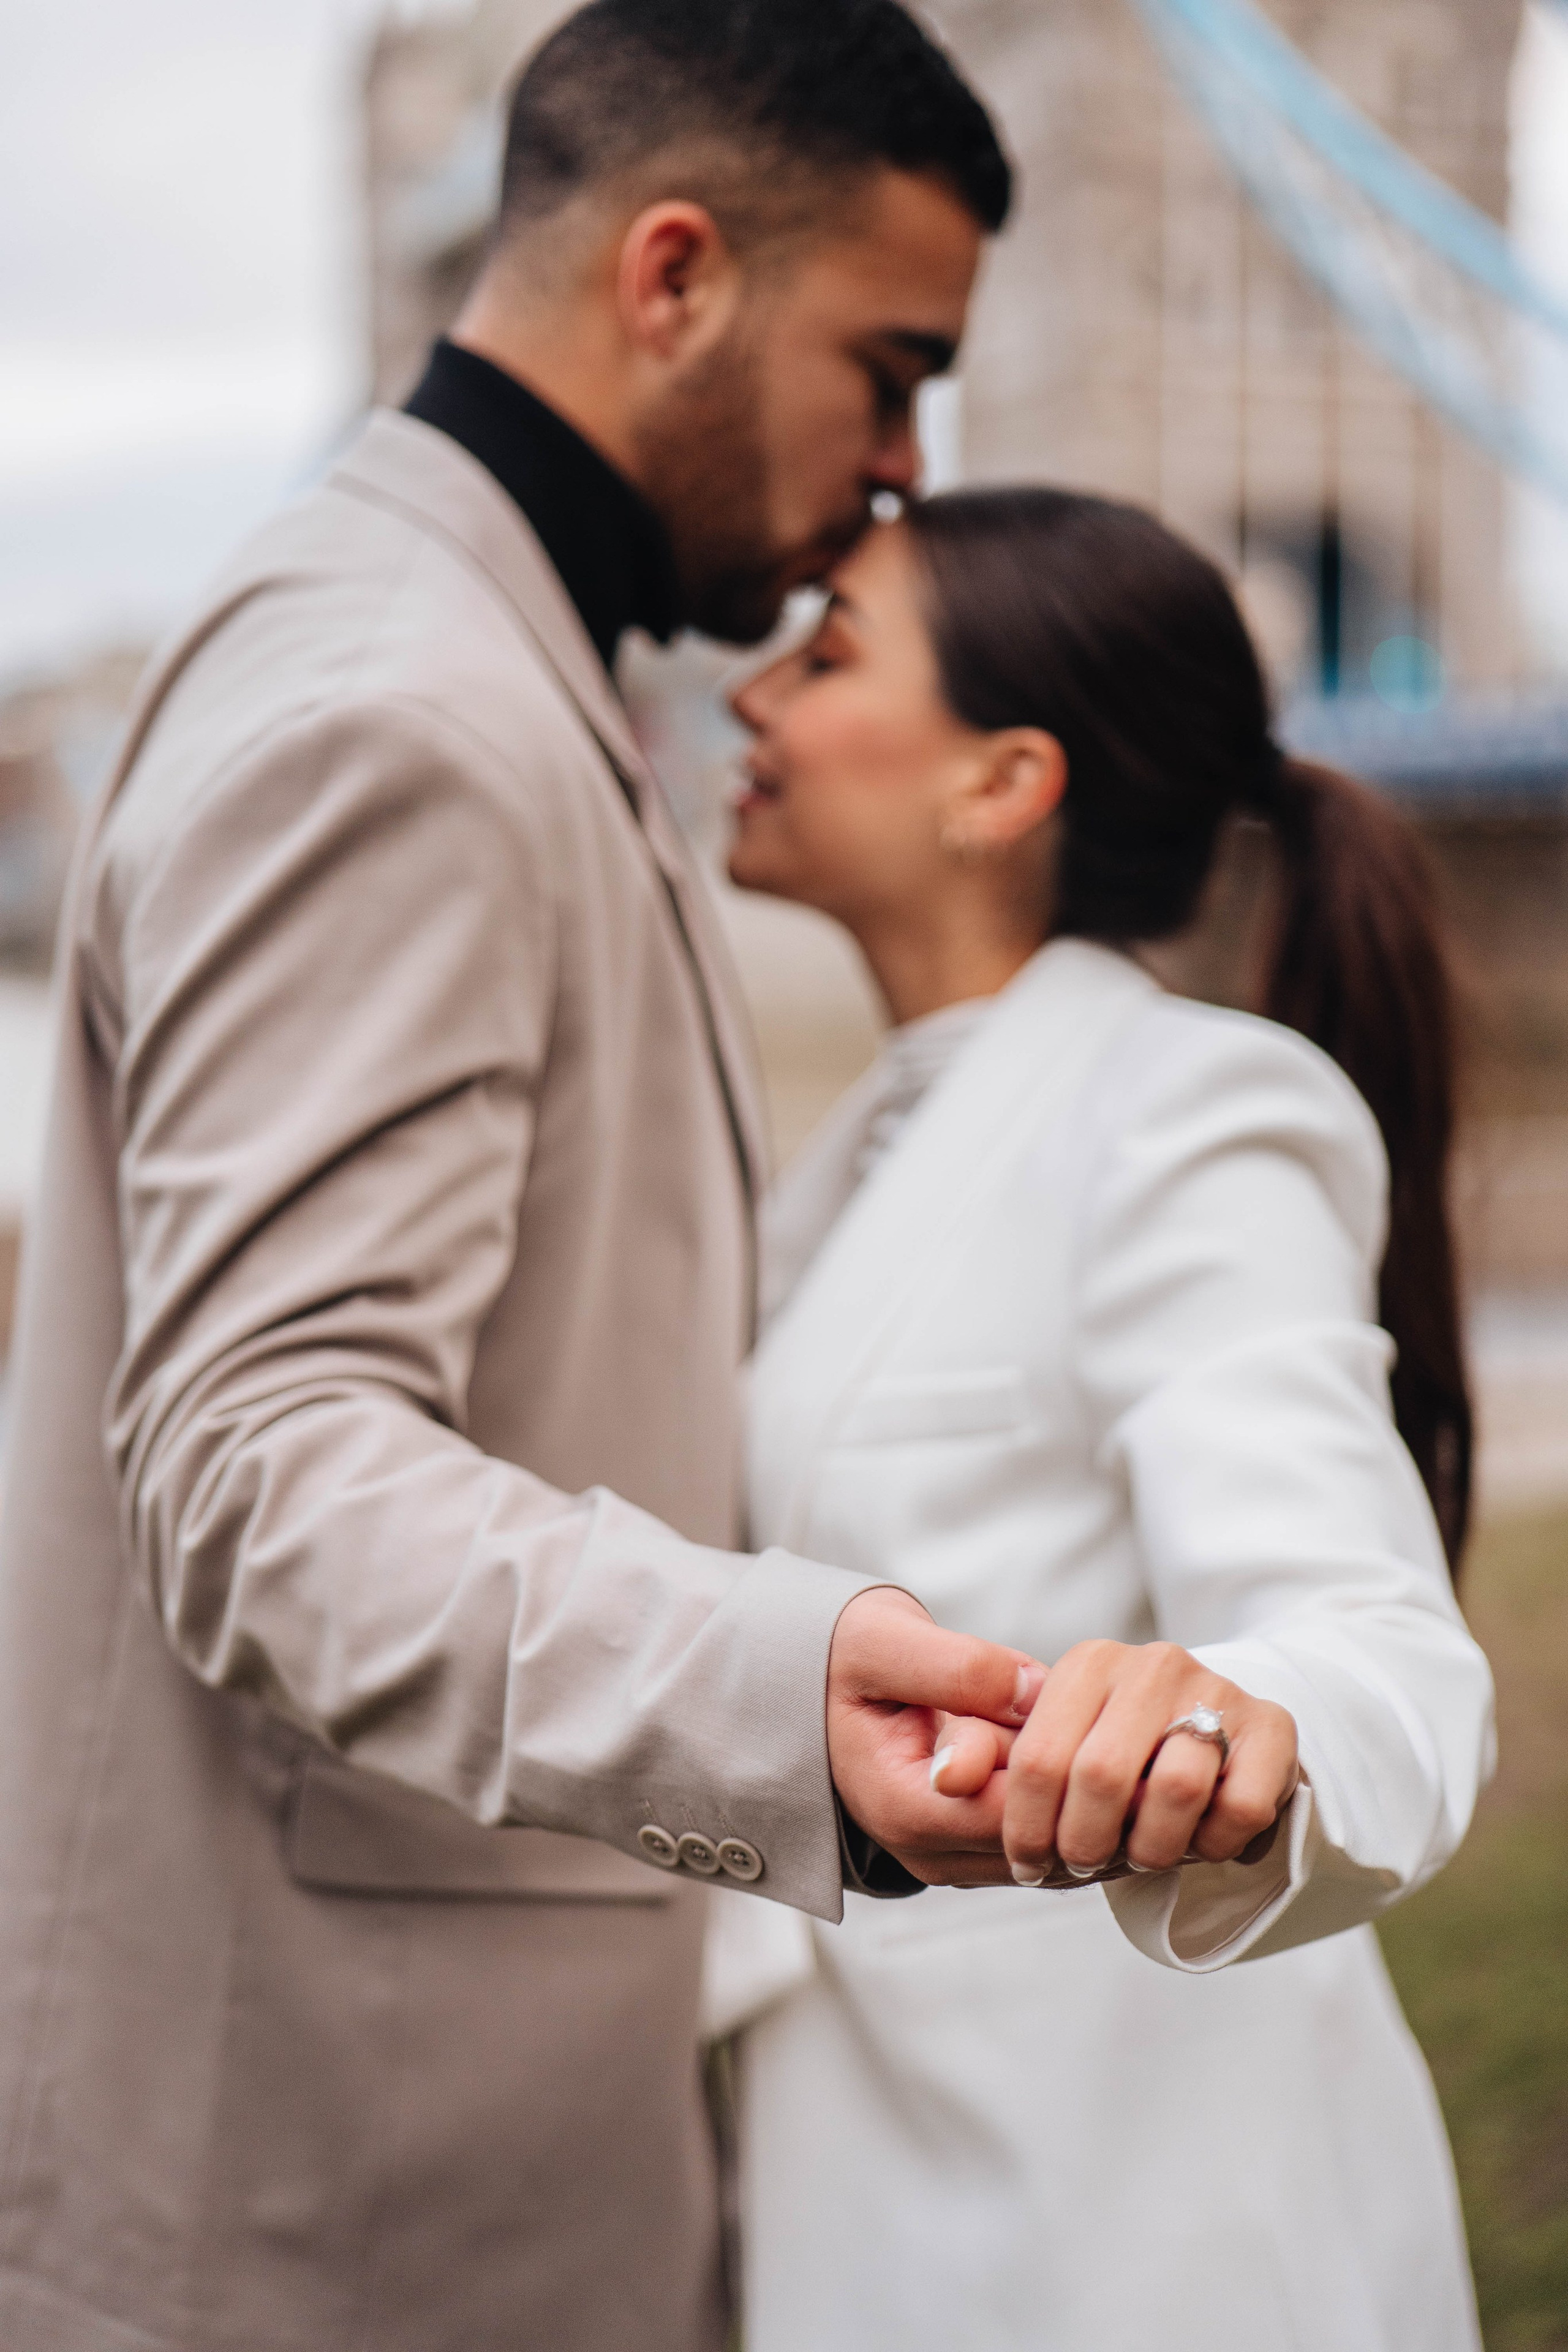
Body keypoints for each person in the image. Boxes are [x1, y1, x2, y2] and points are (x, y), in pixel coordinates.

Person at [0, 10, 1049, 2349]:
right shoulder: (401, 706)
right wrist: (783, 1700)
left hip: (436, 2176)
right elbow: (264, 1467)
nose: (902, 473)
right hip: (313, 2227)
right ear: (672, 274)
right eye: (888, 373)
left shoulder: (488, 663)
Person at [712, 488, 1496, 2351]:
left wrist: (1251, 1733)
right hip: (877, 2185)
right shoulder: (858, 1155)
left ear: (1002, 784)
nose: (750, 697)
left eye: (826, 654)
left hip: (1149, 2228)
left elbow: (1380, 1641)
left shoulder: (1185, 1114)